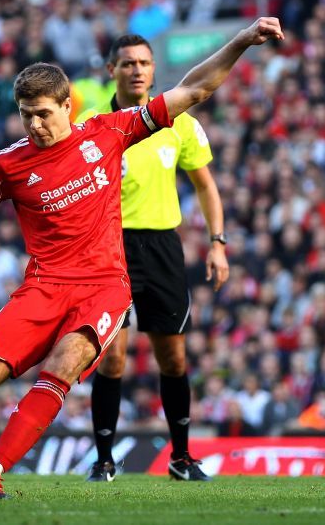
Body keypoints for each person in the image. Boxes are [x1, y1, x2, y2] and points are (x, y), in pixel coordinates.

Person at [0, 17, 285, 499]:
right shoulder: (6, 164)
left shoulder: (108, 133)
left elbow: (195, 90)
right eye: (25, 115)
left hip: (105, 285)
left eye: (43, 113)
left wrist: (243, 40)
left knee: (66, 365)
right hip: (43, 286)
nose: (35, 125)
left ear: (67, 106)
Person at [75, 34, 229, 482]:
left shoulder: (176, 121)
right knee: (112, 358)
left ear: (153, 69)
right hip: (109, 248)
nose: (137, 70)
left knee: (174, 359)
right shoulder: (89, 122)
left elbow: (205, 185)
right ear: (111, 71)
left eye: (144, 62)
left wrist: (217, 242)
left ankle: (181, 458)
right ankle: (103, 461)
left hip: (162, 246)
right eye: (127, 63)